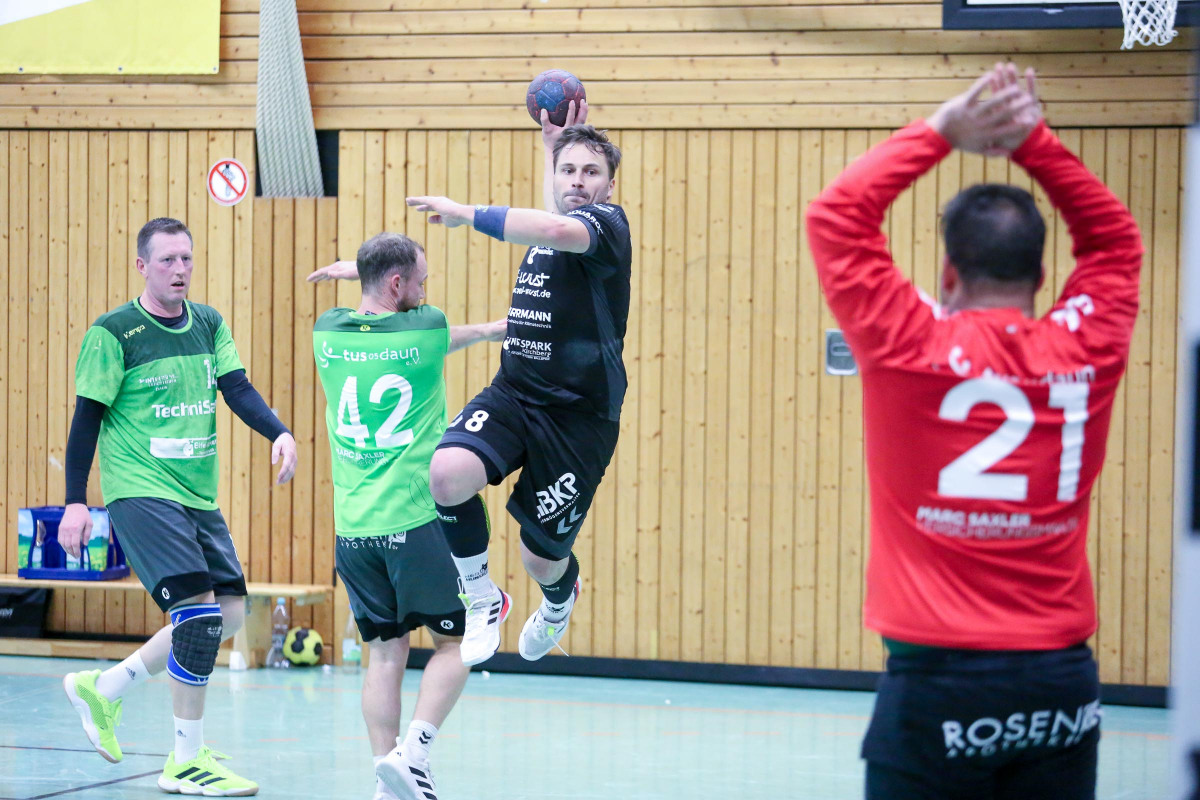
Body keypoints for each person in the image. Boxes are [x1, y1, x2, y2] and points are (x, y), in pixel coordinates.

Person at [805, 64, 1142, 799]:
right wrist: (1035, 143)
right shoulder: (1084, 351)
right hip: (1059, 681)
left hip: (937, 683)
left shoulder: (908, 343)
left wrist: (942, 131)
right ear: (1043, 276)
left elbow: (836, 217)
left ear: (949, 275)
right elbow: (1117, 244)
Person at [310, 101, 633, 667]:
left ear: (609, 185)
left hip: (578, 418)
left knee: (540, 557)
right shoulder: (561, 215)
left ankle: (559, 598)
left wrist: (467, 213)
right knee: (446, 474)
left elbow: (556, 224)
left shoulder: (607, 227)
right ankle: (482, 597)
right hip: (515, 391)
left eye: (591, 172)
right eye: (568, 171)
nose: (577, 182)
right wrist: (550, 147)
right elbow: (553, 211)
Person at [60, 217, 298, 797]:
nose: (180, 270)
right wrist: (75, 503)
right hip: (141, 489)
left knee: (229, 614)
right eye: (167, 260)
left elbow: (236, 387)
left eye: (186, 259)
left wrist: (279, 432)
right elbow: (85, 421)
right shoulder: (114, 333)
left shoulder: (208, 322)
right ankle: (186, 760)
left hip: (197, 494)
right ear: (142, 266)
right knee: (197, 614)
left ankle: (105, 688)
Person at [309, 232, 504, 800]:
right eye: (420, 279)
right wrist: (493, 330)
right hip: (416, 523)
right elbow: (439, 334)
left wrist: (358, 270)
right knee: (460, 641)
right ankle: (412, 755)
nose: (426, 288)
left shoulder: (328, 331)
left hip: (354, 530)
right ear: (398, 284)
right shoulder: (426, 327)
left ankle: (384, 778)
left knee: (385, 653)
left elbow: (384, 304)